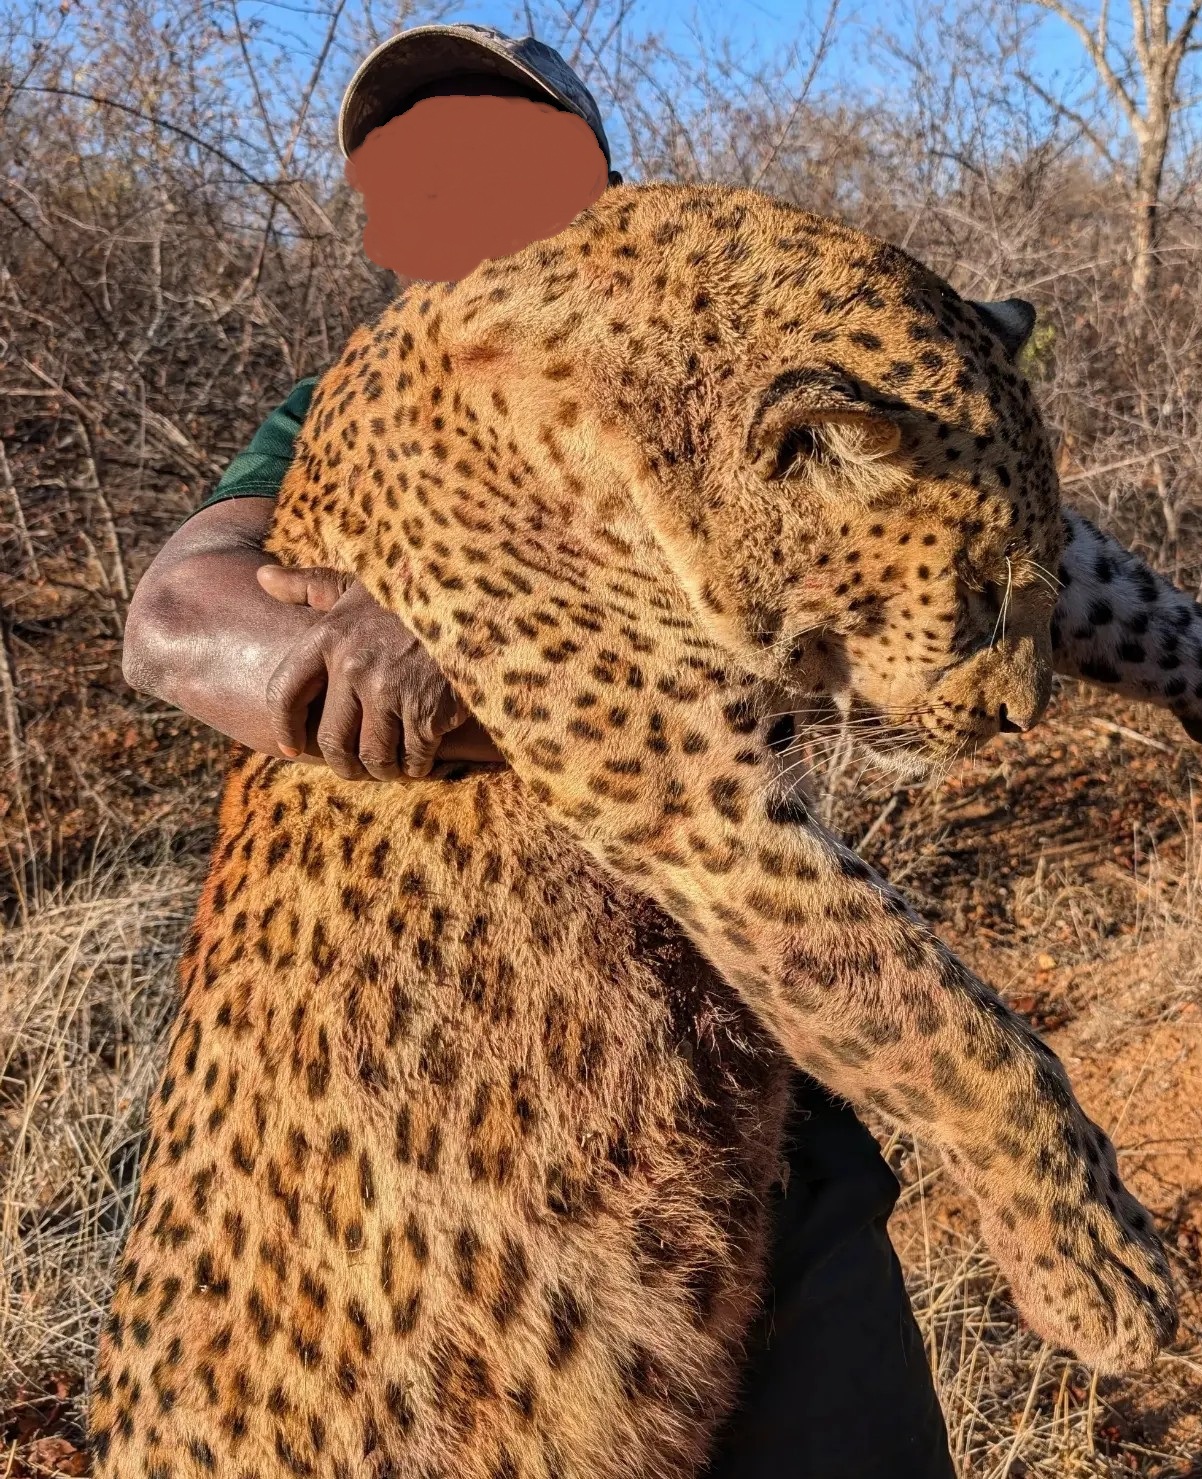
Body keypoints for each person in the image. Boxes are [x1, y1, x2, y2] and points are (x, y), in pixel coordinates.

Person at [121, 22, 957, 1479]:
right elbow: (174, 623)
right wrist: (372, 650)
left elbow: (914, 600)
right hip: (470, 1104)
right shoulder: (340, 415)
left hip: (750, 1045)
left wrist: (501, 633)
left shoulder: (734, 377)